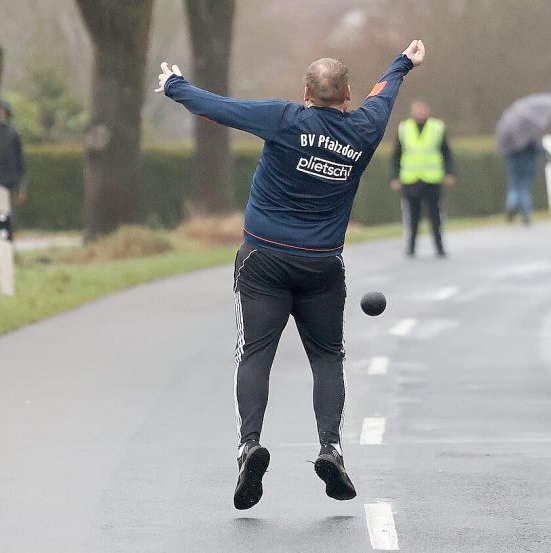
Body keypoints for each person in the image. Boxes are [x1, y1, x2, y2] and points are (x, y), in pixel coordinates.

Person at [156, 39, 426, 509]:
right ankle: (330, 448)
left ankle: (250, 445)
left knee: (255, 354)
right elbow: (384, 93)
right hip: (322, 265)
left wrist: (174, 86)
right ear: (346, 96)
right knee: (326, 358)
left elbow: (221, 110)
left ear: (306, 93)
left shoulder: (284, 119)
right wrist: (403, 62)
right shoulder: (364, 128)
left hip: (263, 259)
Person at [390, 99, 455, 258]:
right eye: (417, 110)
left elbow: (446, 153)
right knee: (412, 217)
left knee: (435, 216)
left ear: (428, 110)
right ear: (412, 111)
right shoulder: (404, 128)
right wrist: (394, 177)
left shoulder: (437, 127)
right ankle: (411, 247)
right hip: (410, 180)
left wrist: (449, 173)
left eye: (423, 109)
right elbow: (396, 155)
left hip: (432, 179)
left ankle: (439, 247)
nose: (420, 113)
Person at [0, 100, 27, 237]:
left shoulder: (13, 133)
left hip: (8, 181)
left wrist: (21, 185)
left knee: (6, 215)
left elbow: (20, 161)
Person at [505, 139, 542, 225]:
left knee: (514, 188)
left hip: (514, 168)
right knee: (525, 190)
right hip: (528, 168)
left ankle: (511, 205)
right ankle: (526, 215)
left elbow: (506, 151)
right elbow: (538, 150)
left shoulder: (510, 137)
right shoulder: (529, 137)